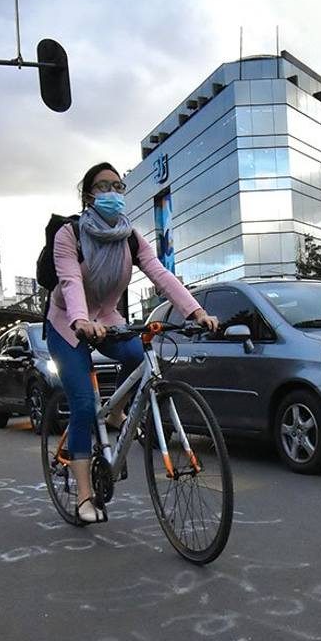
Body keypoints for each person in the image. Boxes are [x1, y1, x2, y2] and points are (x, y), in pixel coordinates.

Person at [46, 163, 217, 523]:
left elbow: (160, 274)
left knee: (141, 355)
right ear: (89, 195)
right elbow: (70, 280)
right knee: (81, 405)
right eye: (103, 186)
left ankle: (119, 409)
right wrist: (79, 319)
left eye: (118, 186)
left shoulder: (131, 237)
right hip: (68, 322)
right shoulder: (69, 234)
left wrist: (195, 311)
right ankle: (84, 496)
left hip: (107, 318)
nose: (112, 192)